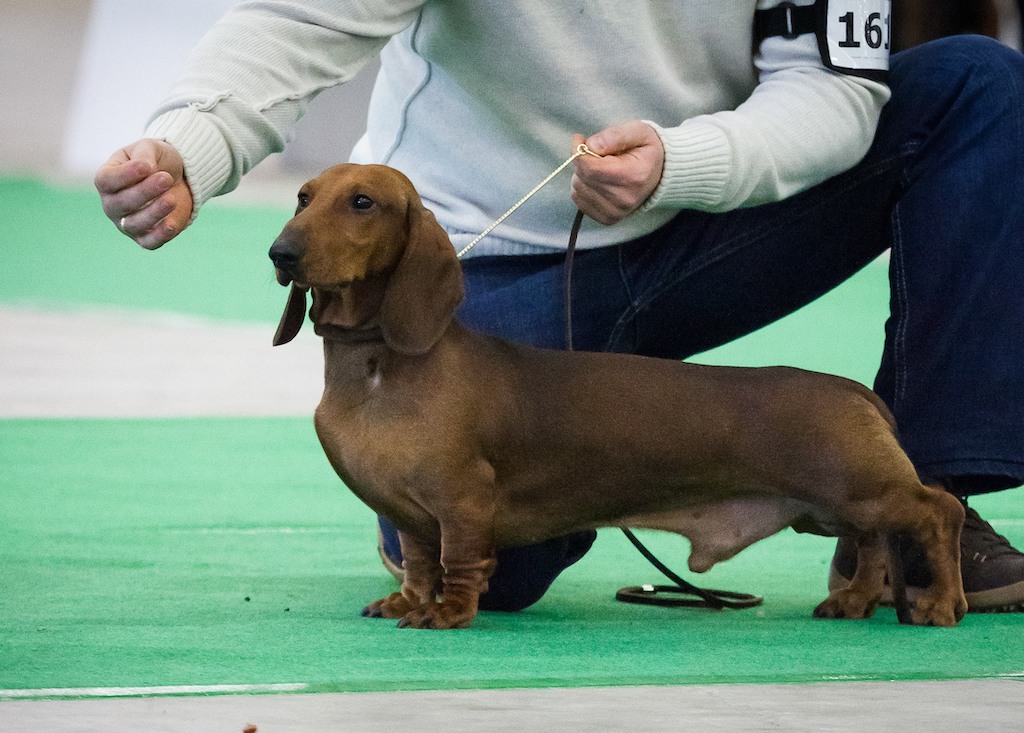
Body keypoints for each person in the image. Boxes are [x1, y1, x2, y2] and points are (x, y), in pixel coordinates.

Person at [96, 1, 1024, 614]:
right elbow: (302, 18)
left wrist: (684, 161)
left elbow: (834, 85)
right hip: (486, 258)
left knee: (976, 86)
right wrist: (193, 143)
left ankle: (921, 501)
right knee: (490, 568)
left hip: (711, 212)